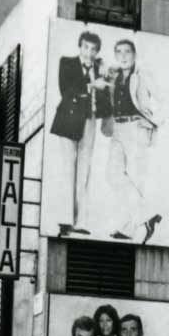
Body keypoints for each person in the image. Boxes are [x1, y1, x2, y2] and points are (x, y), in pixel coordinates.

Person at [48, 30, 111, 236]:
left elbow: (104, 97)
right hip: (69, 119)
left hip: (89, 120)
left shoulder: (99, 68)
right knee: (69, 168)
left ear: (97, 51)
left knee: (84, 171)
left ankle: (81, 221)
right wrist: (93, 83)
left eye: (93, 49)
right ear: (80, 47)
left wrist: (104, 77)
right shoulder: (67, 63)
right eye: (85, 47)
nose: (89, 52)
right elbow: (66, 89)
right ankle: (66, 220)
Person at [105, 40, 162, 244]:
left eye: (127, 52)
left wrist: (152, 121)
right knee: (113, 175)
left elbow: (161, 99)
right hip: (118, 128)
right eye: (118, 52)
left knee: (137, 177)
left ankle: (129, 228)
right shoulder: (114, 76)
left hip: (136, 127)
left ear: (134, 54)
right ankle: (147, 215)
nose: (123, 56)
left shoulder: (142, 74)